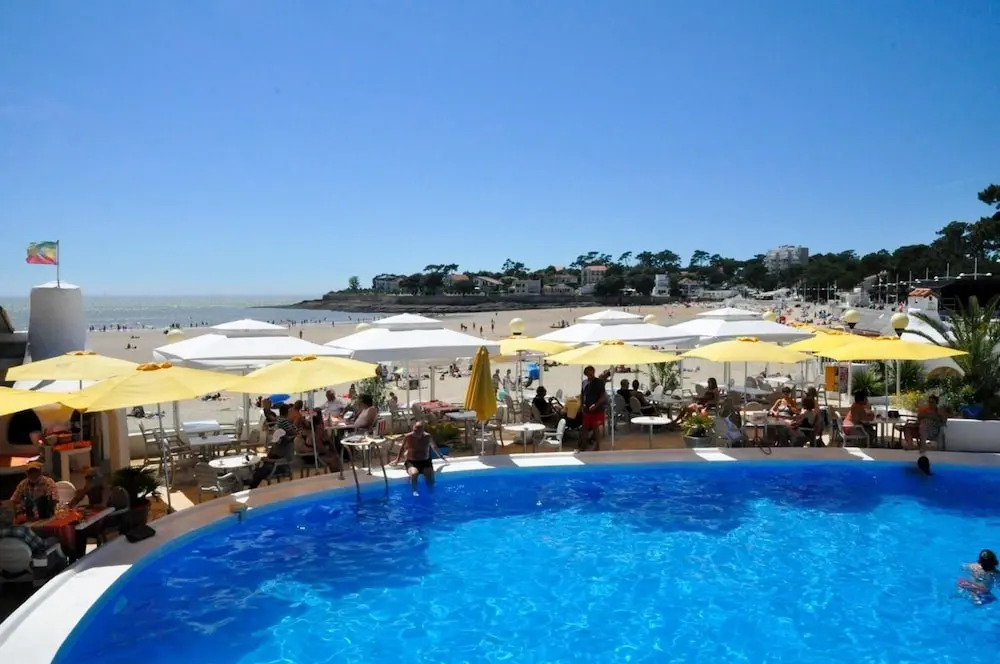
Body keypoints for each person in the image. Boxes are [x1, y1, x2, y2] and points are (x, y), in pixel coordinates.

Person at [393, 421, 449, 495]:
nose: (415, 433)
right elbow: (402, 448)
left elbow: (434, 447)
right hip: (412, 462)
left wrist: (441, 456)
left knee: (430, 475)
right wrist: (397, 460)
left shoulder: (428, 437)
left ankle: (431, 492)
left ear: (423, 431)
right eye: (414, 430)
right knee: (414, 474)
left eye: (418, 431)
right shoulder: (408, 437)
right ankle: (415, 491)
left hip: (425, 462)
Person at [247, 405, 297, 489]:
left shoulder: (288, 446)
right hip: (272, 464)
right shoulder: (277, 444)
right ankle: (252, 483)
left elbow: (286, 459)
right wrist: (266, 458)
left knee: (263, 470)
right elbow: (271, 454)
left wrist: (270, 460)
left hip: (280, 466)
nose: (276, 442)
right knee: (258, 468)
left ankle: (252, 485)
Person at [581, 366, 607, 451]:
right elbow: (583, 395)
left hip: (597, 409)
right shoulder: (584, 383)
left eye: (591, 374)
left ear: (593, 372)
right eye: (588, 374)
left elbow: (603, 396)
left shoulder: (599, 382)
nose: (590, 376)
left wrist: (596, 405)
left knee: (596, 427)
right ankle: (583, 445)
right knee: (584, 427)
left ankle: (597, 446)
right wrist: (582, 404)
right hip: (587, 409)